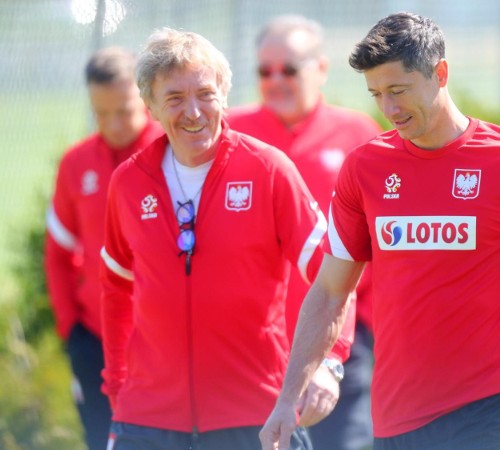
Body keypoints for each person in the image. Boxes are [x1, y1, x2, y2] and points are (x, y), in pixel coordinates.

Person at [260, 12, 500, 450]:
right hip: (394, 416)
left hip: (485, 406)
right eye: (376, 95)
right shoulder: (365, 168)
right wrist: (288, 397)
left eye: (399, 91)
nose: (389, 109)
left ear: (440, 72)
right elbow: (330, 291)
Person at [99, 27, 355, 450]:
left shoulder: (268, 170)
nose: (194, 112)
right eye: (175, 98)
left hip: (256, 415)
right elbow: (115, 286)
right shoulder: (127, 183)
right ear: (150, 106)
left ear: (224, 94)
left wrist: (331, 361)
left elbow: (334, 274)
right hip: (146, 421)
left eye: (205, 93)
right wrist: (118, 390)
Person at [226, 14, 382, 450]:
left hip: (340, 340)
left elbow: (382, 238)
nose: (276, 80)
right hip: (252, 347)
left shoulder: (359, 135)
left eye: (289, 69)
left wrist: (368, 322)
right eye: (264, 71)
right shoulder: (231, 135)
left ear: (321, 68)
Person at [43, 46, 163, 450]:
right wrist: (71, 330)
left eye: (124, 110)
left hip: (163, 340)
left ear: (144, 99)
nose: (113, 123)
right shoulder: (76, 164)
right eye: (101, 113)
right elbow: (58, 254)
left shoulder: (172, 151)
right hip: (95, 341)